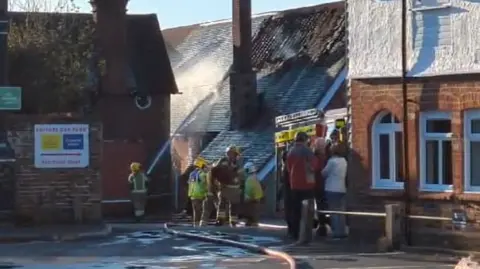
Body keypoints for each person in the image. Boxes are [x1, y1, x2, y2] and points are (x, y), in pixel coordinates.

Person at [286, 132, 322, 240]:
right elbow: (314, 166)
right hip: (307, 184)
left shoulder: (291, 151)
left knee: (295, 210)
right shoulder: (307, 151)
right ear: (305, 139)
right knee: (307, 211)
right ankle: (305, 234)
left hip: (294, 184)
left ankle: (295, 233)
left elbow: (288, 168)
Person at [322, 143, 348, 239]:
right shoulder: (344, 161)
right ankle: (342, 231)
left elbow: (324, 173)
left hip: (331, 188)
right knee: (341, 212)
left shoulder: (332, 161)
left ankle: (336, 232)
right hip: (342, 188)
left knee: (334, 211)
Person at [214, 145, 243, 226]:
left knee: (227, 205)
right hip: (229, 188)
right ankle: (228, 221)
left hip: (229, 188)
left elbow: (215, 172)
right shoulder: (237, 163)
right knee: (228, 205)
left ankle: (225, 220)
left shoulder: (224, 161)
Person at [312, 137, 329, 237]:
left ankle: (322, 226)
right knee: (320, 206)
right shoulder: (325, 156)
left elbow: (315, 169)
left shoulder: (316, 157)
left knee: (320, 206)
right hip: (320, 185)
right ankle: (322, 225)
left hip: (320, 184)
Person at [188, 157, 209, 226]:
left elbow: (189, 183)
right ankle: (200, 225)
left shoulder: (192, 174)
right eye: (205, 166)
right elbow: (206, 183)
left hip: (193, 195)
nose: (206, 167)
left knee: (196, 211)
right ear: (202, 166)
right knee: (202, 211)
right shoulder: (203, 174)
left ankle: (196, 225)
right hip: (201, 194)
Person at [243, 162, 264, 227]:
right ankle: (253, 221)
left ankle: (252, 221)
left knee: (251, 209)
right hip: (257, 196)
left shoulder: (250, 179)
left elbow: (249, 189)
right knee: (254, 209)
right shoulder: (255, 177)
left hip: (252, 197)